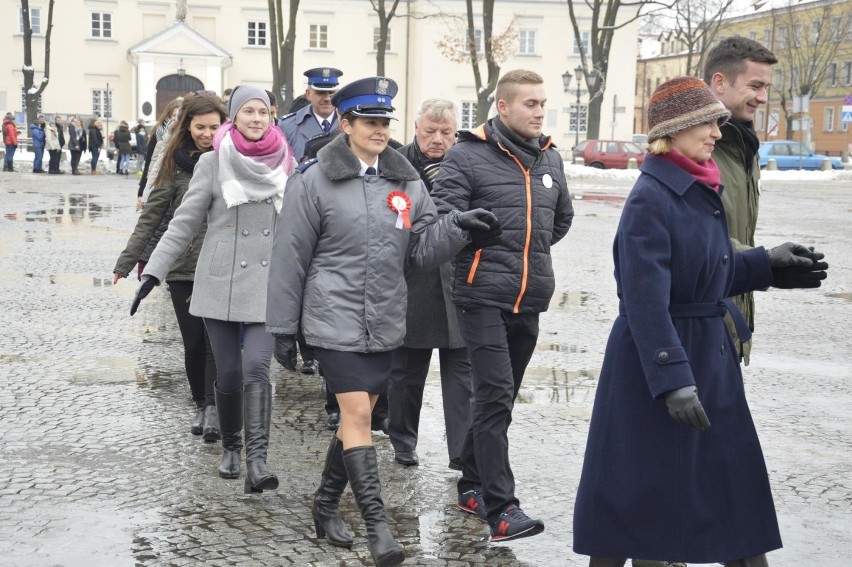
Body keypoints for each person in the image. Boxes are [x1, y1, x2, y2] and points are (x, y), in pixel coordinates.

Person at [572, 77, 829, 567]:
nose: (717, 131)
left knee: (733, 490)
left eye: (717, 121)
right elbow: (645, 301)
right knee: (635, 500)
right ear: (677, 128)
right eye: (709, 122)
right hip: (659, 367)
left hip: (710, 360)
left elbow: (706, 269)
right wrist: (671, 379)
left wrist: (767, 265)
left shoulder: (699, 186)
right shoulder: (653, 197)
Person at [266, 76, 500, 567]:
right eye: (370, 121)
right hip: (332, 319)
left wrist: (459, 229)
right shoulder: (312, 181)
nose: (379, 129)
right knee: (358, 418)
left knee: (356, 421)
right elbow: (290, 258)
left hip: (386, 319)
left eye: (385, 122)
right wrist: (282, 326)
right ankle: (378, 528)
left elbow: (419, 252)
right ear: (346, 124)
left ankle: (325, 504)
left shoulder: (406, 182)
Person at [430, 69, 573, 542]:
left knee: (502, 399)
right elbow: (442, 217)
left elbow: (560, 221)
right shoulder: (467, 155)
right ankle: (501, 508)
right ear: (504, 107)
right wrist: (476, 240)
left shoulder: (550, 159)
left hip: (528, 297)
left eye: (542, 103)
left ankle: (471, 484)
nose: (538, 112)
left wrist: (525, 255)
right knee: (493, 396)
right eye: (530, 104)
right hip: (480, 295)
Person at [130, 86, 294, 493]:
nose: (256, 118)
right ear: (233, 118)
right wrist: (153, 272)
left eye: (263, 112)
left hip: (266, 283)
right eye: (247, 112)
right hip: (219, 280)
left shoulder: (287, 164)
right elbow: (182, 224)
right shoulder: (211, 162)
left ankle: (257, 462)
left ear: (271, 118)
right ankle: (233, 447)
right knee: (229, 370)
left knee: (257, 366)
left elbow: (300, 231)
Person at [114, 93, 226, 442]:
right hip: (182, 267)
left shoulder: (234, 160)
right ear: (187, 127)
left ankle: (212, 407)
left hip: (221, 264)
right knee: (193, 342)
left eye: (214, 126)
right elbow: (152, 216)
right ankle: (199, 402)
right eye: (200, 127)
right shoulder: (172, 165)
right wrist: (128, 259)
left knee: (214, 342)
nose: (208, 134)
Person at [389, 98, 472, 469]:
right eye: (430, 131)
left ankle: (461, 452)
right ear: (416, 128)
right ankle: (403, 440)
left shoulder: (469, 163)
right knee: (407, 369)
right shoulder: (396, 166)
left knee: (463, 372)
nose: (437, 139)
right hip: (412, 279)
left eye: (446, 133)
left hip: (460, 279)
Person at [704, 37, 778, 366]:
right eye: (755, 86)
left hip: (730, 323)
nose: (762, 98)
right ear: (720, 82)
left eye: (766, 88)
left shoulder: (742, 146)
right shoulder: (699, 147)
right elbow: (697, 240)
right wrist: (769, 264)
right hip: (700, 328)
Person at [279, 67, 343, 161]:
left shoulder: (351, 123)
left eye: (331, 92)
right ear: (308, 94)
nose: (327, 99)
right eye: (321, 93)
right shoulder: (287, 126)